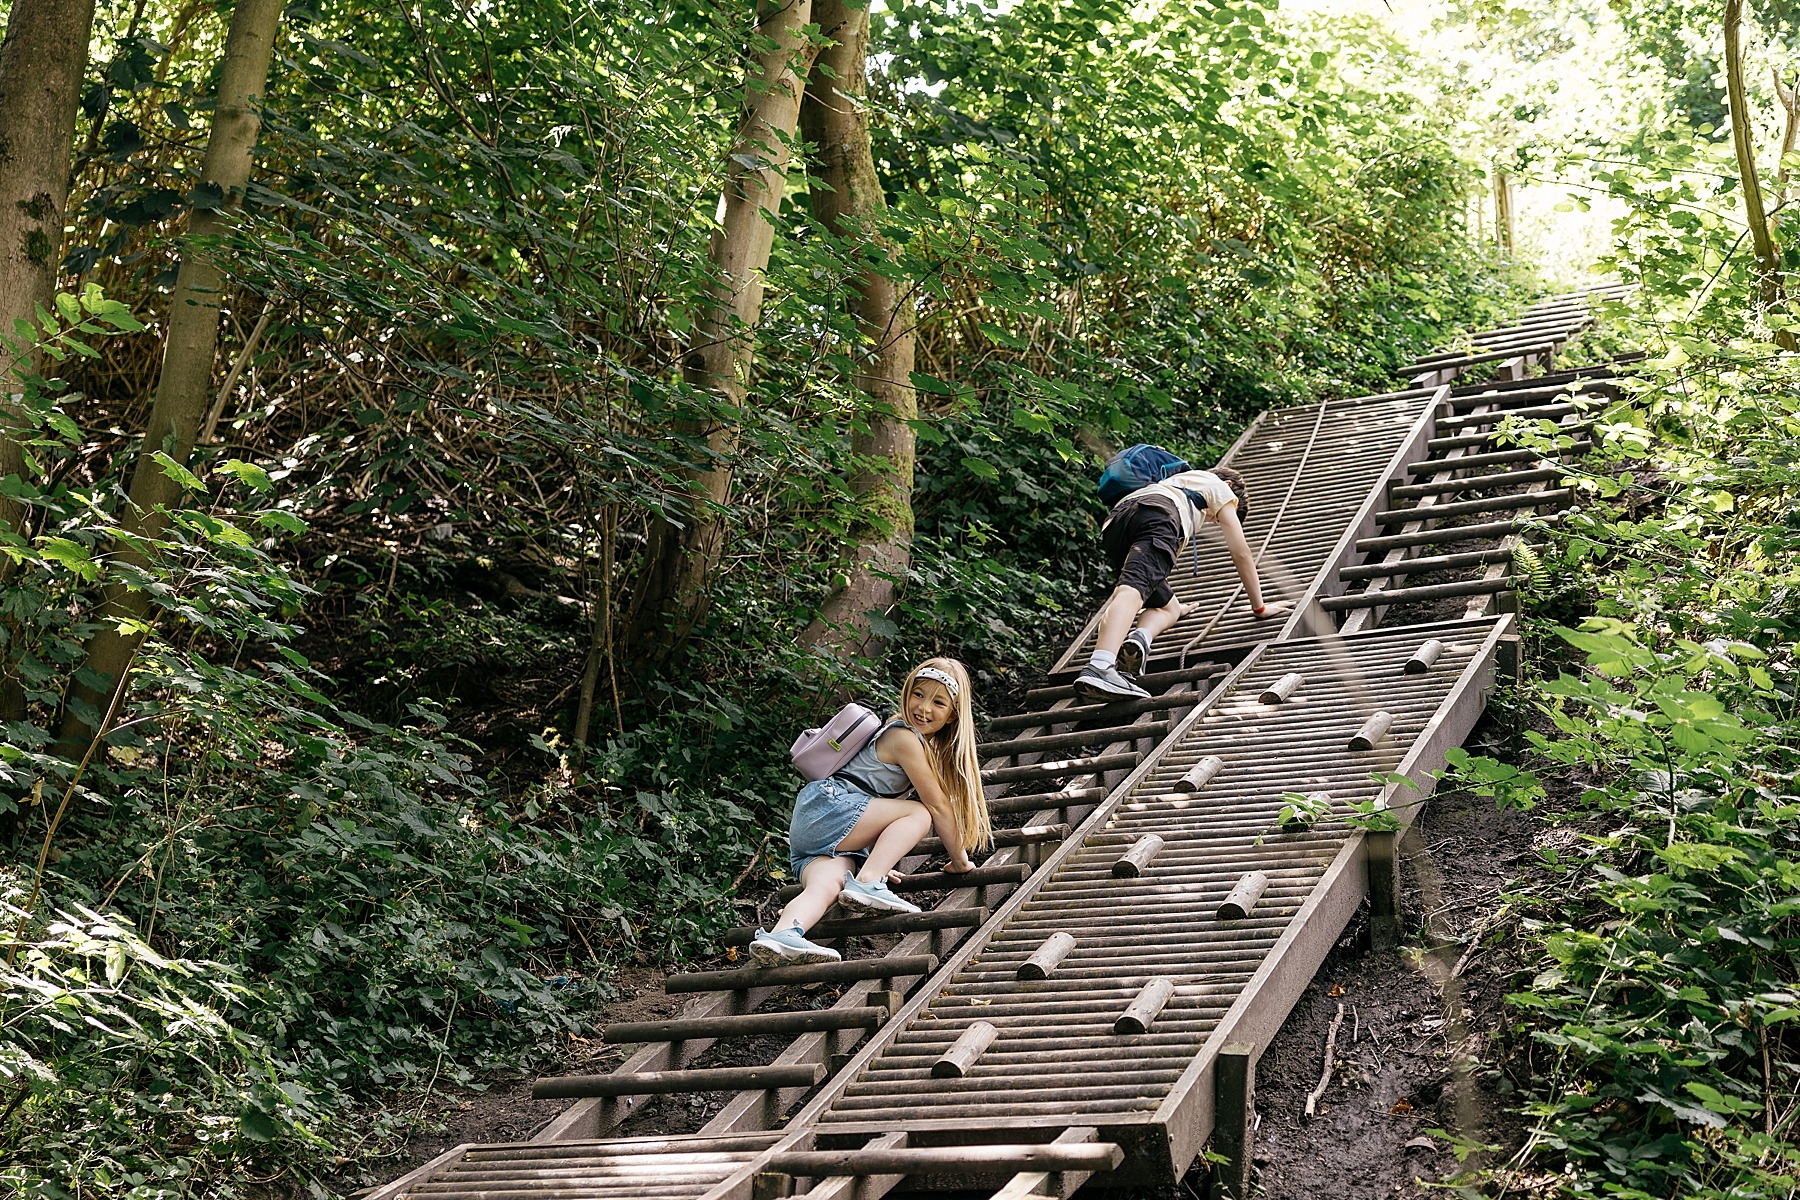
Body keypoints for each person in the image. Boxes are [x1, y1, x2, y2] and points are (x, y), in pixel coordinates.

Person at [749, 657, 992, 965]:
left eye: (938, 702)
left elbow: (874, 804)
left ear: (953, 716)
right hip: (830, 809)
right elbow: (938, 805)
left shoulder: (909, 737)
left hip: (819, 827)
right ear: (907, 692)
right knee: (919, 813)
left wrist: (879, 859)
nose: (923, 708)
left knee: (827, 885)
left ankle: (782, 936)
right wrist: (959, 861)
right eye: (918, 694)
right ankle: (867, 882)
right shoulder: (904, 737)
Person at [1073, 464, 1292, 703]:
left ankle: (1139, 639)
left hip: (1116, 522)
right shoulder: (1219, 487)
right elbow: (1241, 553)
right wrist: (1259, 607)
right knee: (1131, 590)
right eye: (1217, 518)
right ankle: (1101, 666)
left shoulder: (1179, 480)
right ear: (1229, 487)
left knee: (1169, 607)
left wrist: (1179, 607)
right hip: (1158, 515)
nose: (1213, 520)